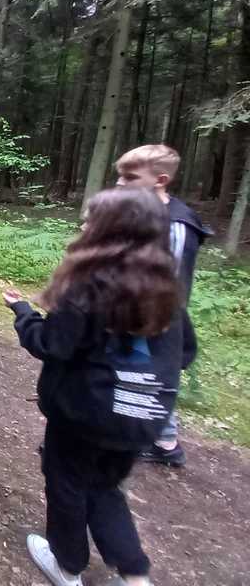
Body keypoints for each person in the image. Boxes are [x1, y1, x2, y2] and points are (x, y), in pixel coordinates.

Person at [3, 187, 196, 586]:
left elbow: (49, 344)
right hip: (140, 420)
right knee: (106, 487)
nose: (84, 226)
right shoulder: (168, 289)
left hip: (84, 416)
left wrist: (23, 312)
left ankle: (68, 566)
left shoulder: (87, 287)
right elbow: (185, 351)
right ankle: (135, 574)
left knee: (67, 484)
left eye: (92, 221)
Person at [116, 144, 212, 466]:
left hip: (154, 314)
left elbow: (169, 277)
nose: (120, 183)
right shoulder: (137, 211)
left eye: (129, 177)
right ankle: (156, 436)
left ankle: (164, 443)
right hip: (128, 305)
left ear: (161, 179)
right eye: (119, 175)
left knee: (153, 372)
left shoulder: (176, 224)